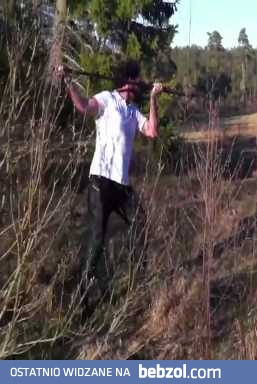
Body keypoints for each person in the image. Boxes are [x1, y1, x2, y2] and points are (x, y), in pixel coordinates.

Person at [55, 61, 163, 312]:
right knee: (97, 239)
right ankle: (83, 298)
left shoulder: (133, 110)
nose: (139, 84)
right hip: (101, 182)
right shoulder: (106, 99)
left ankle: (138, 281)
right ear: (128, 81)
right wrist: (68, 81)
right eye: (137, 79)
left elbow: (152, 130)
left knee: (141, 225)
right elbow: (83, 106)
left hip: (122, 185)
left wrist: (154, 99)